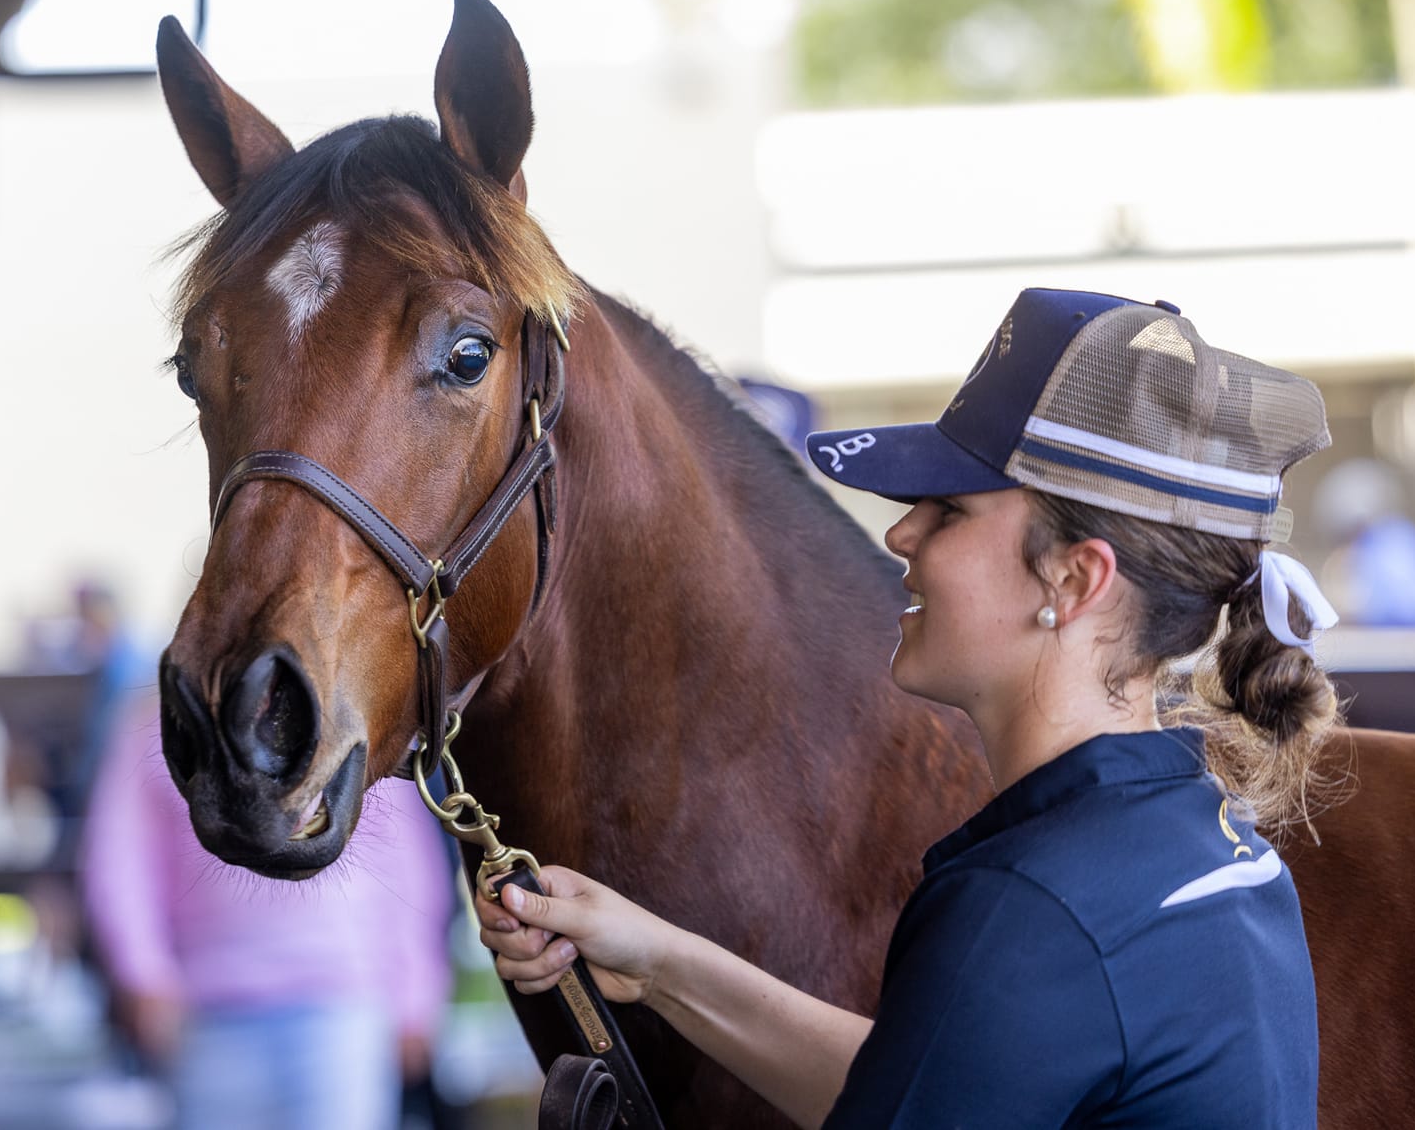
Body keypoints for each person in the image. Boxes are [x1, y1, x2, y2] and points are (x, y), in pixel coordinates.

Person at [480, 289, 1338, 1129]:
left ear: (1075, 581)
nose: (901, 533)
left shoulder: (1028, 908)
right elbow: (942, 1078)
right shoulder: (1207, 840)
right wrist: (662, 962)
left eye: (951, 509)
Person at [79, 694, 454, 1130]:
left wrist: (416, 999)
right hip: (208, 1015)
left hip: (343, 1007)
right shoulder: (158, 724)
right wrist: (145, 977)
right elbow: (121, 861)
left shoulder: (354, 715)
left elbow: (407, 865)